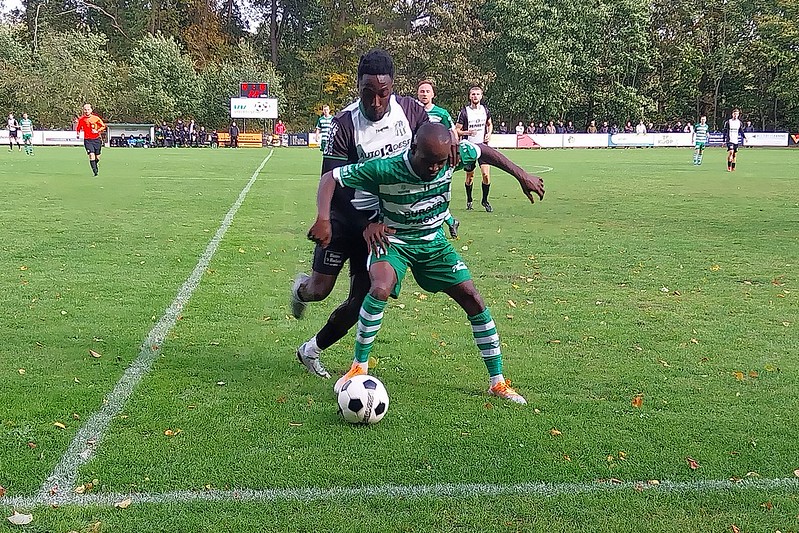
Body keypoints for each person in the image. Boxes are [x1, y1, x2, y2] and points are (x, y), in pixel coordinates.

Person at [307, 122, 545, 403]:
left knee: (472, 298)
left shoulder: (453, 156)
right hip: (394, 242)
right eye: (428, 161)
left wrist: (522, 176)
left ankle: (498, 382)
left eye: (439, 163)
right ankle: (359, 367)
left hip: (434, 244)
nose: (434, 168)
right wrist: (323, 218)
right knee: (380, 288)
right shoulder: (385, 168)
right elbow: (331, 177)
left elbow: (484, 151)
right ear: (413, 148)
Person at [291, 49, 430, 380]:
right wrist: (354, 222)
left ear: (392, 87)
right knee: (319, 290)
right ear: (358, 87)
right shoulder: (343, 124)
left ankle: (310, 350)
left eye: (383, 93)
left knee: (363, 298)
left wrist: (447, 142)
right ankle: (300, 289)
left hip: (383, 226)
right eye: (369, 93)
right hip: (344, 219)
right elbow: (332, 183)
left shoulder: (411, 112)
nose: (376, 102)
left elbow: (429, 149)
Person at [416, 79, 460, 239]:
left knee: (434, 194)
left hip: (438, 161)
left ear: (433, 94)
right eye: (422, 91)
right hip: (419, 160)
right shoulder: (411, 111)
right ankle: (451, 222)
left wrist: (452, 154)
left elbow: (453, 134)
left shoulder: (441, 113)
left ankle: (441, 227)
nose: (424, 94)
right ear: (417, 94)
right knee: (425, 194)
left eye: (427, 91)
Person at [456, 86, 494, 211]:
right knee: (470, 177)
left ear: (481, 96)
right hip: (469, 148)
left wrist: (489, 133)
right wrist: (467, 132)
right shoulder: (464, 112)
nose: (475, 96)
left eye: (477, 94)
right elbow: (457, 130)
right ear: (469, 96)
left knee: (486, 175)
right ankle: (469, 200)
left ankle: (485, 201)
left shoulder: (485, 110)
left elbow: (489, 124)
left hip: (483, 146)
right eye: (473, 94)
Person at [75, 103, 106, 176]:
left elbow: (103, 126)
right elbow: (78, 127)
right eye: (85, 110)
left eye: (88, 109)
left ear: (91, 110)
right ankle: (95, 171)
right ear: (83, 110)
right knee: (91, 155)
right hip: (88, 140)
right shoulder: (82, 119)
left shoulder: (96, 118)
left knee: (97, 157)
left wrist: (97, 130)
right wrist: (78, 134)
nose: (86, 111)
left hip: (97, 139)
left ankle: (95, 163)